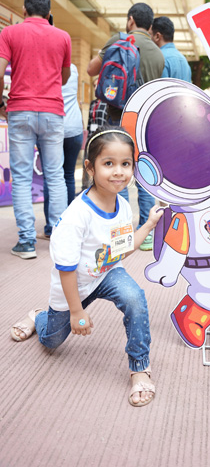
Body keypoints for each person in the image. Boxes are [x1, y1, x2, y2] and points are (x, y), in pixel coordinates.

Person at [10, 125, 163, 407]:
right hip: (73, 285)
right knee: (50, 341)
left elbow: (123, 248)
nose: (119, 172)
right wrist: (76, 311)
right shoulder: (76, 216)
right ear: (91, 168)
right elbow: (66, 270)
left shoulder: (122, 206)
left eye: (125, 164)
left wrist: (149, 224)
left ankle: (140, 366)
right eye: (109, 163)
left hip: (105, 274)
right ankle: (38, 316)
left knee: (135, 298)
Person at [88, 3, 164, 251]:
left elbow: (91, 69)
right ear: (150, 25)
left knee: (117, 172)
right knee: (143, 175)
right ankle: (146, 233)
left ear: (131, 20)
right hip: (143, 123)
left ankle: (119, 230)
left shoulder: (118, 40)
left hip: (116, 118)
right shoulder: (158, 54)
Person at [0, 0, 70, 259]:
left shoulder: (9, 33)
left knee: (21, 177)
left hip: (20, 110)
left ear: (24, 10)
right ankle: (60, 239)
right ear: (49, 13)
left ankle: (27, 242)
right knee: (55, 175)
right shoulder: (63, 36)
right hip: (53, 111)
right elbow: (64, 77)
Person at [39, 64, 84, 238]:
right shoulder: (73, 68)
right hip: (74, 127)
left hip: (52, 126)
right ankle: (68, 223)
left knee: (51, 177)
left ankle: (51, 228)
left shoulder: (45, 67)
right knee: (68, 176)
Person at [81, 77, 108, 191]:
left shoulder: (107, 103)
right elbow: (89, 123)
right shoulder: (93, 103)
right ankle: (85, 188)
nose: (96, 88)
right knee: (86, 163)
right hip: (91, 138)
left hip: (102, 139)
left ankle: (99, 188)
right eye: (94, 86)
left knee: (100, 164)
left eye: (98, 85)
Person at [151, 16, 192, 82]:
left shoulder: (160, 58)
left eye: (150, 35)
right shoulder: (183, 59)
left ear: (157, 36)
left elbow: (161, 87)